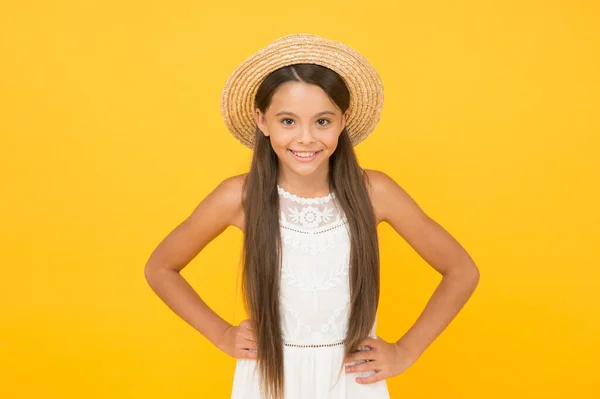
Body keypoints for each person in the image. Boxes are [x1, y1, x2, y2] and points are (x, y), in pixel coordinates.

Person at [144, 33, 480, 399]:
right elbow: (160, 267)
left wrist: (405, 351)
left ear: (343, 120)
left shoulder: (374, 193)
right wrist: (221, 333)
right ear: (262, 120)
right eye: (288, 121)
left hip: (352, 381)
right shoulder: (239, 197)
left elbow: (462, 270)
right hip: (270, 378)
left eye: (322, 121)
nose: (305, 138)